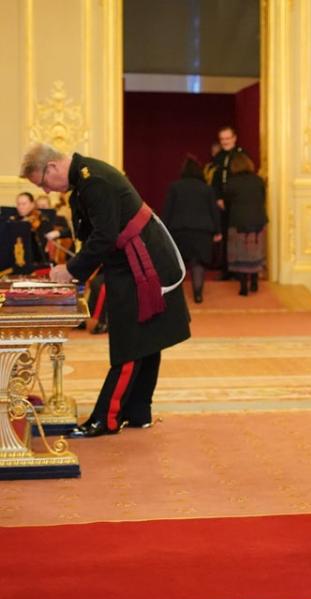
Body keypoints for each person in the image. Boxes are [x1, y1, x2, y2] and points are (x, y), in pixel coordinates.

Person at [20, 143, 191, 437]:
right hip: (135, 260)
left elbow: (103, 237)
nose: (46, 192)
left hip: (142, 264)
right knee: (146, 337)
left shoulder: (93, 181)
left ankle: (107, 419)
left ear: (52, 168)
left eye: (44, 184)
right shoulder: (85, 180)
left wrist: (70, 271)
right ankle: (137, 413)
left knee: (133, 341)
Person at [162, 156, 222, 303]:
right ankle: (198, 294)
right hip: (202, 232)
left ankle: (175, 298)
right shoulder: (207, 189)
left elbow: (168, 210)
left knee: (178, 264)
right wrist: (218, 231)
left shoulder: (175, 187)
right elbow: (213, 211)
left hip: (180, 231)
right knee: (198, 263)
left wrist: (163, 230)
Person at [223, 152, 267, 295]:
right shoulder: (259, 180)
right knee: (255, 252)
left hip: (238, 222)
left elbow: (226, 202)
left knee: (240, 254)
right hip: (258, 221)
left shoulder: (232, 182)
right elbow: (263, 199)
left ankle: (243, 288)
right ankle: (254, 283)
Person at [211, 127, 245, 280]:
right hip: (221, 203)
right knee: (224, 236)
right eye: (222, 139)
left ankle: (238, 270)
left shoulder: (241, 156)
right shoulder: (218, 157)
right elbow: (215, 180)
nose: (225, 142)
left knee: (237, 236)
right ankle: (226, 269)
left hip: (237, 203)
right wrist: (218, 198)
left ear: (234, 138)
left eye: (227, 138)